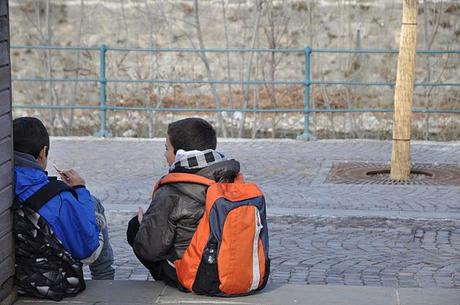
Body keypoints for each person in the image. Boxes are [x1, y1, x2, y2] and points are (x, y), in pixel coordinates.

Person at [127, 117, 240, 286]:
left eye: (167, 149)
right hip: (231, 268)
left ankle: (175, 282)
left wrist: (144, 225)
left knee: (134, 226)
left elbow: (150, 251)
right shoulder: (231, 178)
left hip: (196, 275)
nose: (165, 155)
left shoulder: (171, 190)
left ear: (180, 153)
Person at [13, 117, 115, 281]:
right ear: (42, 152)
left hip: (16, 266)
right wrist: (80, 190)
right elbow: (86, 249)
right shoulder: (60, 199)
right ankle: (105, 278)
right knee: (93, 203)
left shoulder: (8, 181)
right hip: (49, 277)